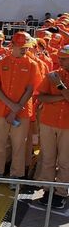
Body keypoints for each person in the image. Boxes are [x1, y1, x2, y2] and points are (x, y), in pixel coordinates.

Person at [0, 32, 40, 179]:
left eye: (27, 47)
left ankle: (16, 175)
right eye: (22, 47)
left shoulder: (32, 64)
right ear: (13, 45)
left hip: (22, 112)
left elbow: (30, 89)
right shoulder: (1, 63)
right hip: (2, 110)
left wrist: (16, 108)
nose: (25, 50)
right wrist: (12, 106)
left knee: (19, 145)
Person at [35, 45, 69, 209]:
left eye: (63, 59)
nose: (59, 61)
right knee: (48, 158)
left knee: (65, 161)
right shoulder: (53, 75)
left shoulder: (56, 79)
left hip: (67, 126)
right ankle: (47, 189)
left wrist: (60, 86)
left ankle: (61, 192)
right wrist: (61, 98)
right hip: (48, 123)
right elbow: (40, 96)